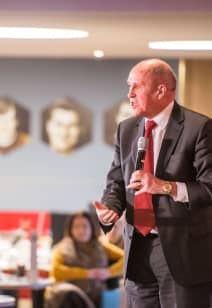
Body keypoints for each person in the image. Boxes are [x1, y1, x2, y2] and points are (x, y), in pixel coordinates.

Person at [93, 58, 212, 308]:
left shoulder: (198, 128)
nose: (129, 94)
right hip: (137, 249)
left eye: (136, 86)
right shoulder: (126, 130)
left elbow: (208, 188)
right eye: (128, 86)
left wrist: (164, 186)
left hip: (182, 252)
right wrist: (110, 211)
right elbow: (116, 182)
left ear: (160, 90)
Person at [45, 211, 124, 308]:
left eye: (85, 226)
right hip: (70, 297)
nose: (81, 230)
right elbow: (56, 271)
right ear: (70, 229)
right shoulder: (61, 248)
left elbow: (125, 259)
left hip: (97, 295)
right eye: (77, 227)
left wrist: (109, 272)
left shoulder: (101, 246)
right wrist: (87, 273)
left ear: (91, 228)